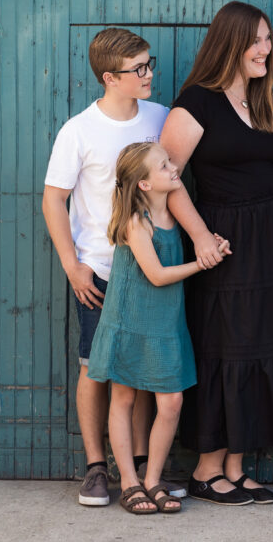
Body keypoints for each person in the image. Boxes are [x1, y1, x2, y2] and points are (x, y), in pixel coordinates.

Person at [42, 28, 212, 505]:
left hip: (153, 267)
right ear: (109, 77)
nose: (150, 73)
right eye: (139, 69)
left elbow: (173, 185)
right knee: (96, 370)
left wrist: (200, 239)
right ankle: (97, 467)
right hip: (100, 269)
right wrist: (73, 265)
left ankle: (138, 470)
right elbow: (54, 200)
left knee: (140, 376)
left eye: (148, 63)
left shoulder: (160, 118)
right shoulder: (79, 130)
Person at [160, 1, 273, 506]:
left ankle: (235, 465)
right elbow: (167, 180)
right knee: (228, 346)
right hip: (227, 241)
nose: (265, 50)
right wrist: (201, 236)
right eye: (256, 41)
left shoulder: (261, 98)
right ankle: (206, 469)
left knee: (264, 343)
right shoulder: (194, 104)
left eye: (269, 40)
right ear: (230, 42)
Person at [87, 142, 229, 514]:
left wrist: (211, 245)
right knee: (124, 398)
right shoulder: (137, 222)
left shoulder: (172, 219)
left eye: (169, 162)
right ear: (145, 185)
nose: (172, 168)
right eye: (163, 166)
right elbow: (158, 275)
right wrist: (203, 263)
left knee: (171, 402)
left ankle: (153, 478)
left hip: (166, 324)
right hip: (130, 321)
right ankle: (130, 483)